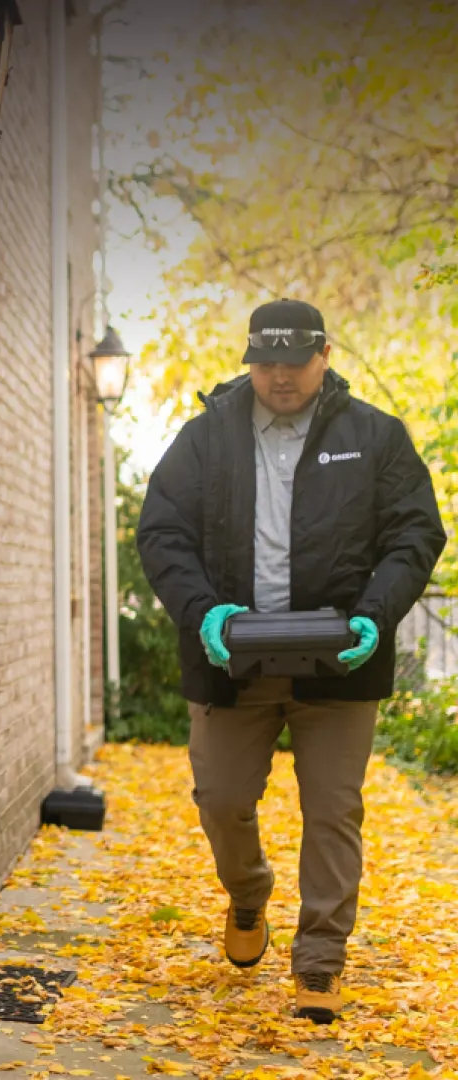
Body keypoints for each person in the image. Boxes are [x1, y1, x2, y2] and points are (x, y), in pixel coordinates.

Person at [136, 298, 447, 1025]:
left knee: (333, 810)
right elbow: (163, 534)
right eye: (266, 361)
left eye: (294, 360)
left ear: (325, 354)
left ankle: (319, 961)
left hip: (338, 663)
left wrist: (375, 613)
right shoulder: (207, 436)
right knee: (220, 800)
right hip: (230, 660)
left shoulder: (375, 436)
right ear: (250, 359)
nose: (279, 375)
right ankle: (248, 895)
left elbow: (414, 533)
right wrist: (204, 611)